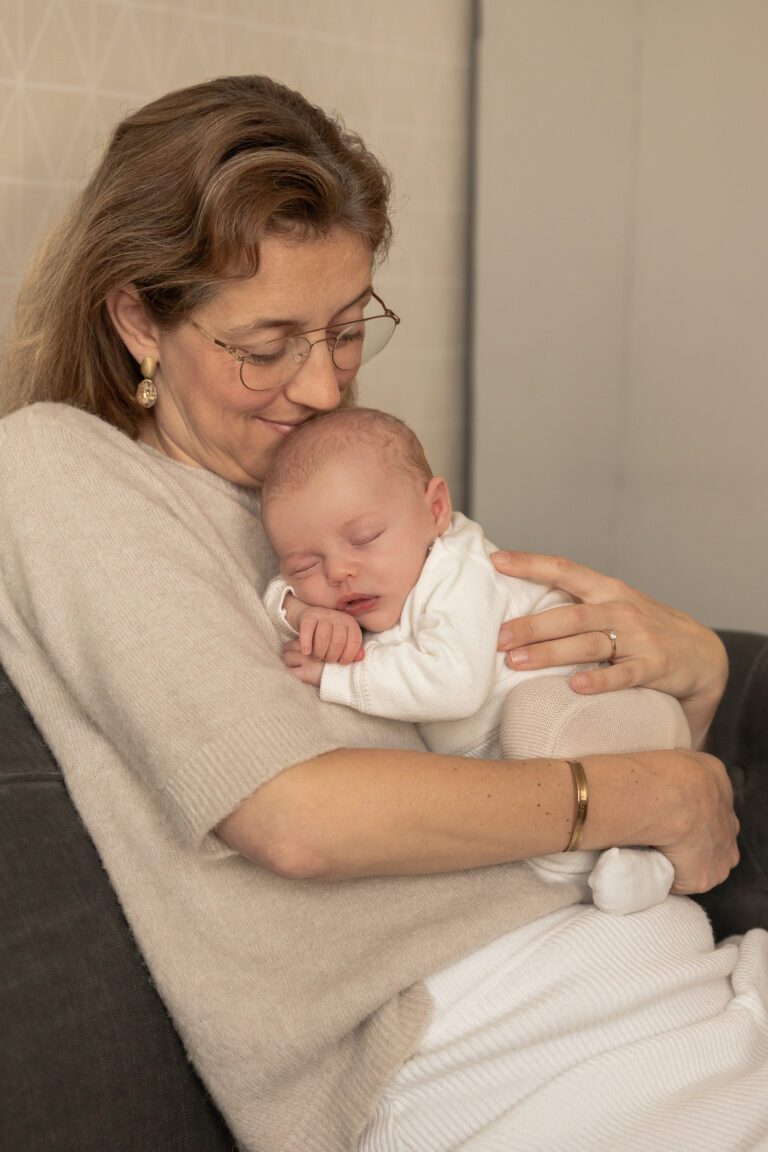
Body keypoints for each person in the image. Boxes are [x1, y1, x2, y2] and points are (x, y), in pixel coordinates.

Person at [0, 74, 764, 1152]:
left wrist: (693, 686)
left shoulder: (343, 487)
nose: (320, 388)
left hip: (654, 966)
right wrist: (641, 791)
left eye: (349, 331)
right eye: (265, 347)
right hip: (472, 1048)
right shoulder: (59, 471)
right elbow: (294, 818)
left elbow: (544, 751)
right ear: (137, 317)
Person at [261, 406, 688, 916]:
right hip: (554, 772)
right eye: (307, 564)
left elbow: (452, 686)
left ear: (436, 509)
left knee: (534, 726)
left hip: (618, 721)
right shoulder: (371, 588)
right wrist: (301, 609)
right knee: (520, 804)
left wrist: (340, 677)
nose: (341, 571)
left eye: (365, 538)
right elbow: (270, 594)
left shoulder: (457, 572)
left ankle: (633, 857)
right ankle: (635, 863)